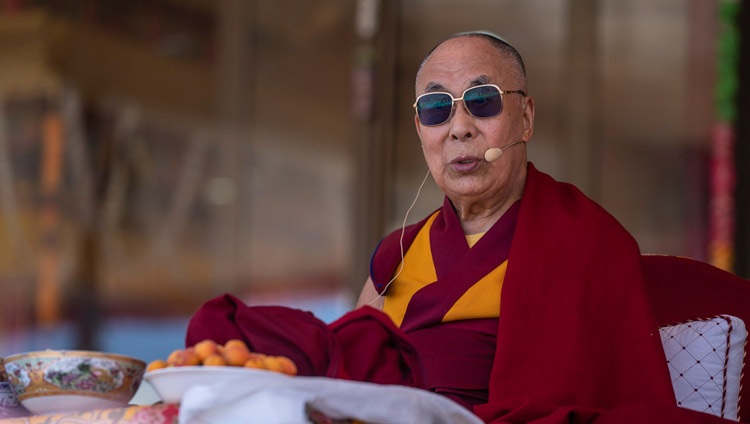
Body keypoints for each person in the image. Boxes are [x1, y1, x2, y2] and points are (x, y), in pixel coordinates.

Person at [186, 32, 738, 423]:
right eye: (436, 110)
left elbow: (598, 391)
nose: (460, 129)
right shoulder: (398, 253)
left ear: (524, 119)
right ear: (420, 130)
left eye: (482, 101)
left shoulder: (585, 238)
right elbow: (347, 370)